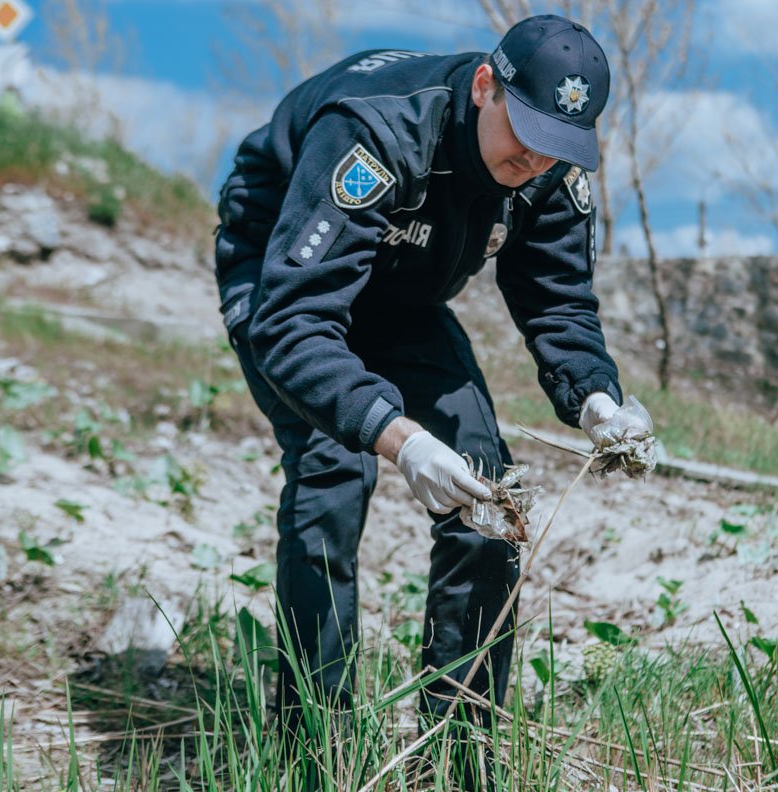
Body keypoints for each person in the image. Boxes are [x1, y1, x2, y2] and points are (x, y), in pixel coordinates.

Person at [212, 14, 652, 742]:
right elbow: (293, 328)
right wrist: (402, 440)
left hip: (404, 293)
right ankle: (311, 750)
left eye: (560, 147)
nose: (539, 161)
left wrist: (596, 399)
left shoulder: (551, 168)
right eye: (530, 137)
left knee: (489, 495)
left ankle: (460, 753)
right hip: (286, 273)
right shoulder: (376, 133)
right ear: (486, 87)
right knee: (334, 468)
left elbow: (558, 299)